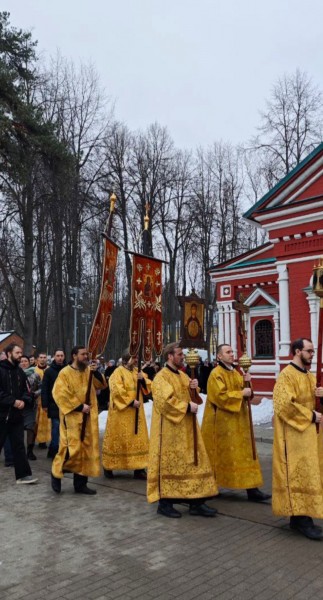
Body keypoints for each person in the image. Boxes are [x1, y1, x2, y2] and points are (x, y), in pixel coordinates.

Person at [147, 342, 218, 518]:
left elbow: (194, 396)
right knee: (171, 464)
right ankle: (165, 504)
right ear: (170, 356)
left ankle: (196, 502)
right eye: (179, 354)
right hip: (170, 431)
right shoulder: (161, 377)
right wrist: (186, 407)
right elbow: (164, 401)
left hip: (187, 428)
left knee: (193, 463)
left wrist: (194, 387)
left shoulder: (182, 375)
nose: (182, 357)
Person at [201, 344, 271, 502]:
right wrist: (242, 393)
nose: (232, 354)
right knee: (222, 454)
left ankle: (252, 488)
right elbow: (219, 396)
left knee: (246, 454)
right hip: (223, 423)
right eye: (228, 352)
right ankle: (214, 485)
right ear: (219, 356)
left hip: (240, 421)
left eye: (233, 351)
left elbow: (247, 393)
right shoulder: (216, 374)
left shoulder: (235, 372)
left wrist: (248, 384)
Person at [272, 338, 323, 540]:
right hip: (292, 436)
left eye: (313, 351)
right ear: (297, 351)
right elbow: (283, 404)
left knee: (308, 474)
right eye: (309, 351)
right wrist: (310, 416)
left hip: (308, 436)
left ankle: (299, 517)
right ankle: (302, 520)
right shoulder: (286, 375)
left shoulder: (310, 376)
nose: (312, 354)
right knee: (297, 474)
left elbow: (315, 402)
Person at [51, 346, 106, 494]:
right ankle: (56, 473)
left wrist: (97, 372)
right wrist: (79, 406)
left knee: (86, 449)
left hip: (88, 418)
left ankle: (80, 484)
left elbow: (101, 385)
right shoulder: (65, 373)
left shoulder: (89, 370)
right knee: (70, 448)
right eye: (83, 354)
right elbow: (60, 394)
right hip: (72, 417)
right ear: (74, 355)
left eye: (87, 354)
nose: (86, 357)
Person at [102, 350, 151, 480]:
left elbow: (148, 386)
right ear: (126, 359)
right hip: (121, 413)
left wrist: (143, 381)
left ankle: (139, 468)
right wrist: (130, 402)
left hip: (136, 413)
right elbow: (116, 390)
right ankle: (109, 466)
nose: (135, 360)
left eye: (136, 358)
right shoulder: (117, 372)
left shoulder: (137, 372)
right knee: (118, 439)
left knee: (138, 440)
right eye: (133, 358)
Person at [0, 344, 38, 484]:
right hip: (2, 415)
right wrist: (13, 401)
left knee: (19, 446)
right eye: (17, 352)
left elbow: (27, 390)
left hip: (16, 416)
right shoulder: (1, 370)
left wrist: (23, 400)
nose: (20, 355)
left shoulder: (20, 372)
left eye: (21, 352)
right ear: (9, 353)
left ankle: (23, 475)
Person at [41, 349, 66, 459]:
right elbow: (44, 389)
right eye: (58, 355)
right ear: (54, 357)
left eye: (61, 355)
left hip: (66, 405)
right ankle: (54, 450)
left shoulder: (67, 370)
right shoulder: (49, 371)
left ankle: (63, 450)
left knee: (65, 429)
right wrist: (45, 404)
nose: (60, 357)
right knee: (56, 429)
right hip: (53, 404)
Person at [20, 355, 41, 460]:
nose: (23, 363)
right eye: (21, 361)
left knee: (30, 428)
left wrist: (34, 394)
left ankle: (30, 451)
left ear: (29, 363)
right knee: (18, 429)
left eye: (25, 361)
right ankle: (19, 451)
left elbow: (41, 388)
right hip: (19, 405)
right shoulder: (16, 374)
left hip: (31, 406)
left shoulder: (36, 375)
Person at [34, 352, 51, 449]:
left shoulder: (49, 370)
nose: (43, 359)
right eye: (41, 357)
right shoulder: (34, 370)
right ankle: (32, 442)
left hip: (46, 400)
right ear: (37, 359)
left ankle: (43, 441)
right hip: (36, 400)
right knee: (35, 422)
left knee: (44, 422)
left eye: (44, 357)